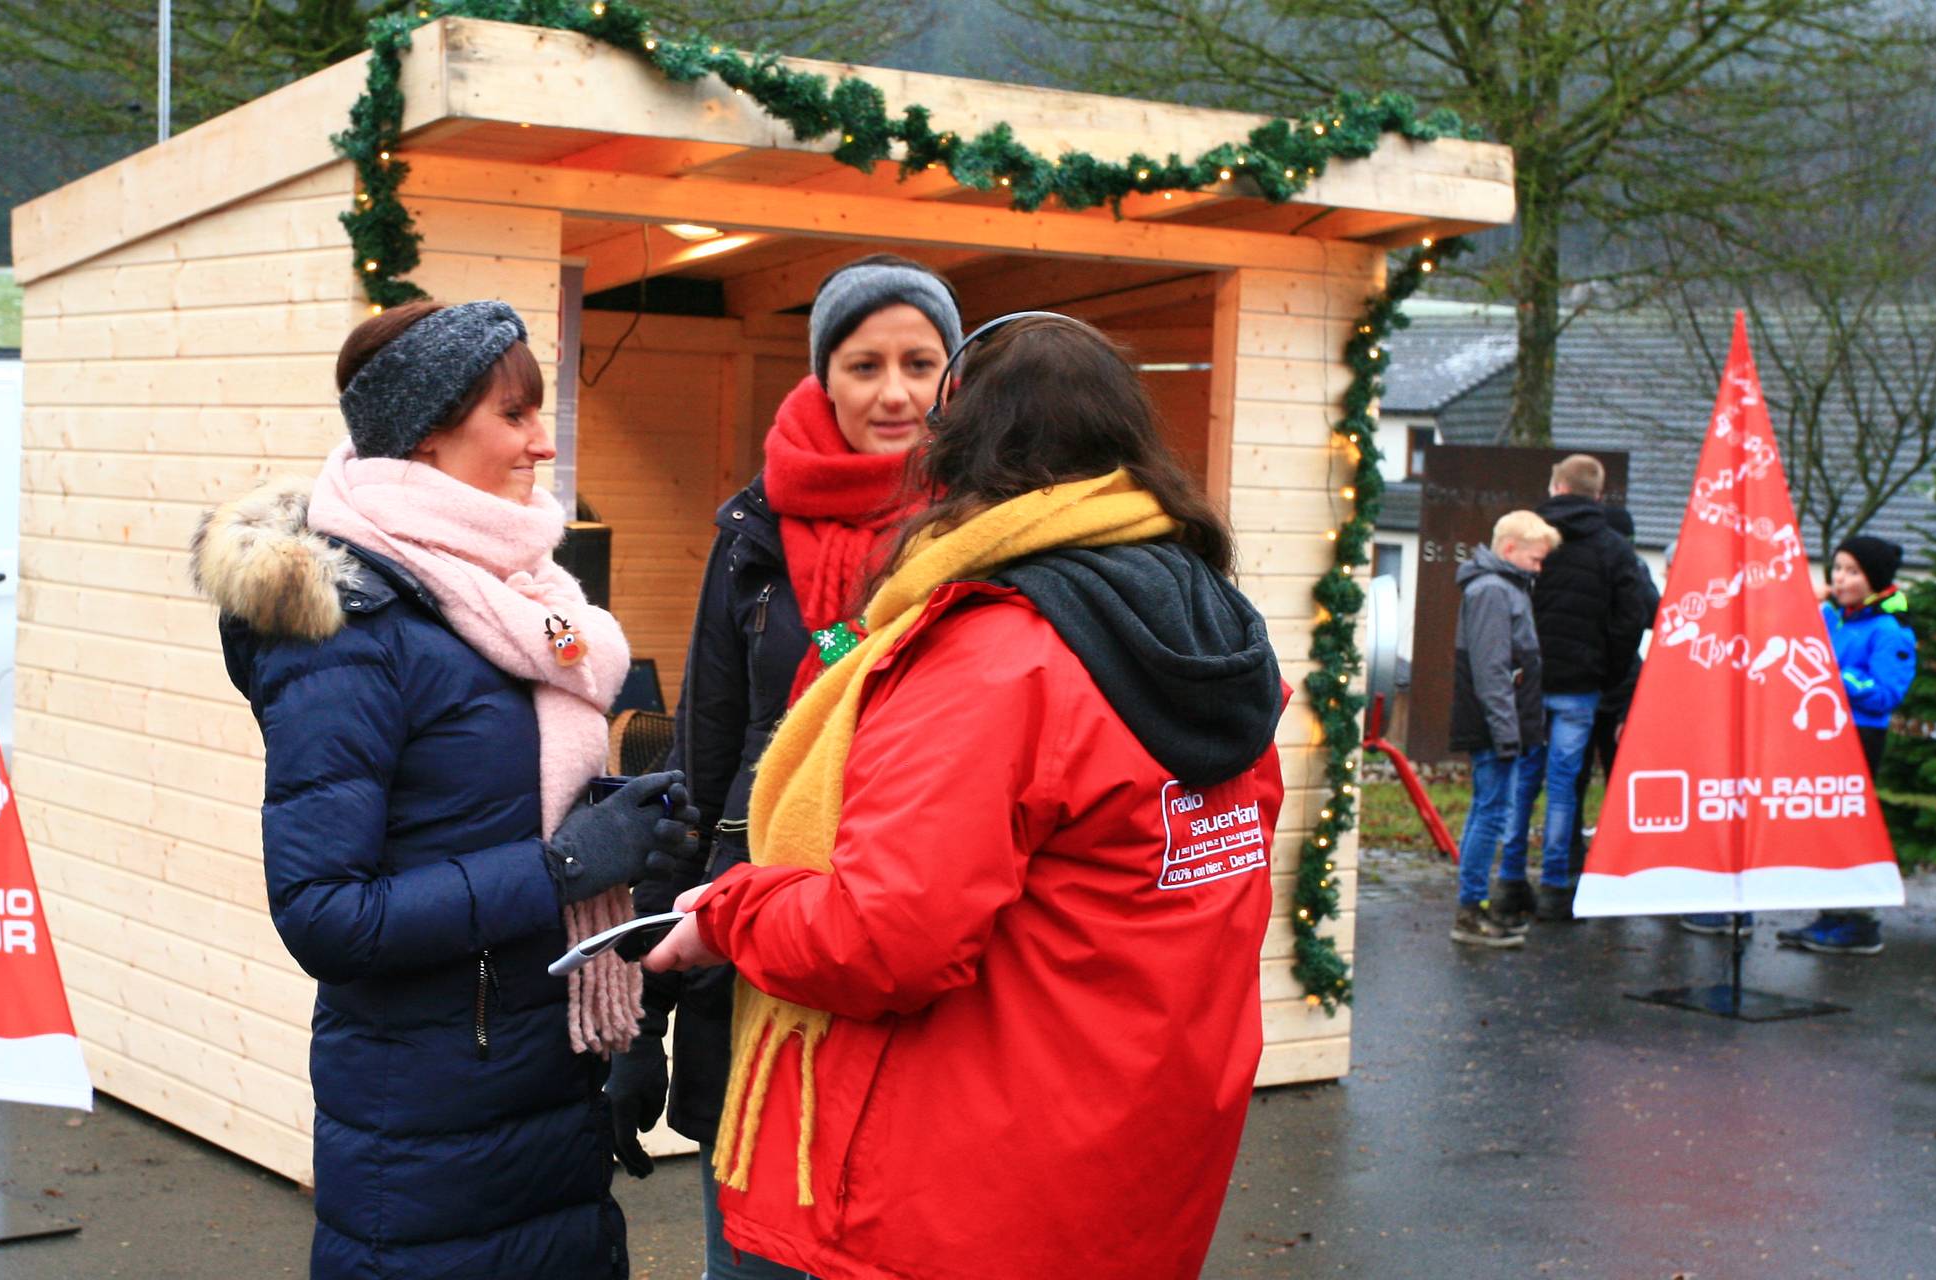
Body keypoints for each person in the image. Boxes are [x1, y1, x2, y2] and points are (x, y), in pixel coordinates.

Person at [639, 313, 1287, 1280]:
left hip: (969, 1187)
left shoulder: (997, 654)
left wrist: (732, 910)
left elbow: (882, 936)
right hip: (1127, 1157)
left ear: (958, 454)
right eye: (864, 365)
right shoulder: (1210, 629)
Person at [194, 299, 698, 1279]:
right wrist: (561, 867)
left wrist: (623, 851)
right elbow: (325, 913)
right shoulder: (347, 627)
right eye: (514, 414)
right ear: (425, 429)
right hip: (430, 1136)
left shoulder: (521, 595)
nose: (543, 443)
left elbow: (495, 815)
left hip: (550, 1093)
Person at [610, 254, 959, 1280]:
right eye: (864, 365)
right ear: (823, 376)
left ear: (954, 375)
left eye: (920, 363)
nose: (894, 392)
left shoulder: (983, 524)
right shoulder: (752, 533)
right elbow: (702, 760)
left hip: (913, 937)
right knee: (754, 1250)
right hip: (753, 933)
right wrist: (642, 1008)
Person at [1685, 535, 1913, 951]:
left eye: (1853, 572)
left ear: (1875, 580)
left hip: (1858, 735)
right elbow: (1786, 636)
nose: (1840, 578)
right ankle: (1816, 913)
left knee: (1846, 826)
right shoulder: (1832, 617)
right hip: (1814, 729)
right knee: (1807, 819)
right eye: (1837, 568)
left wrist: (1832, 675)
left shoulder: (1889, 629)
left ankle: (1857, 921)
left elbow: (1885, 693)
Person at [1523, 455, 1656, 922]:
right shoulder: (1613, 549)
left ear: (1557, 486)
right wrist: (1610, 671)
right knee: (1565, 788)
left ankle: (1511, 880)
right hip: (1583, 687)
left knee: (1523, 785)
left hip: (1531, 683)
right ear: (1598, 495)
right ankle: (1558, 886)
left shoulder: (1531, 538)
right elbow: (1633, 616)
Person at [1449, 511, 1557, 947]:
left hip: (1500, 724)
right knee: (1490, 813)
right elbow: (1492, 670)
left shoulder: (1503, 587)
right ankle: (1470, 911)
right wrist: (1506, 733)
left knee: (1489, 811)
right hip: (1495, 726)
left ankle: (1474, 905)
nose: (1539, 568)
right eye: (1535, 559)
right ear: (1509, 549)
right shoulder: (1493, 591)